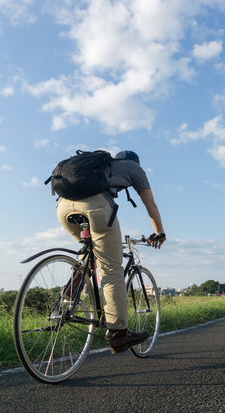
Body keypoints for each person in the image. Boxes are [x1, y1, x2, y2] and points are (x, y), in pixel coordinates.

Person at [56, 150, 166, 354]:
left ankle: (72, 289)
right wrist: (159, 232)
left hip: (64, 208)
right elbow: (150, 204)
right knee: (111, 268)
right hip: (96, 207)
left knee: (91, 251)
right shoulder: (135, 168)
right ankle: (118, 334)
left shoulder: (100, 166)